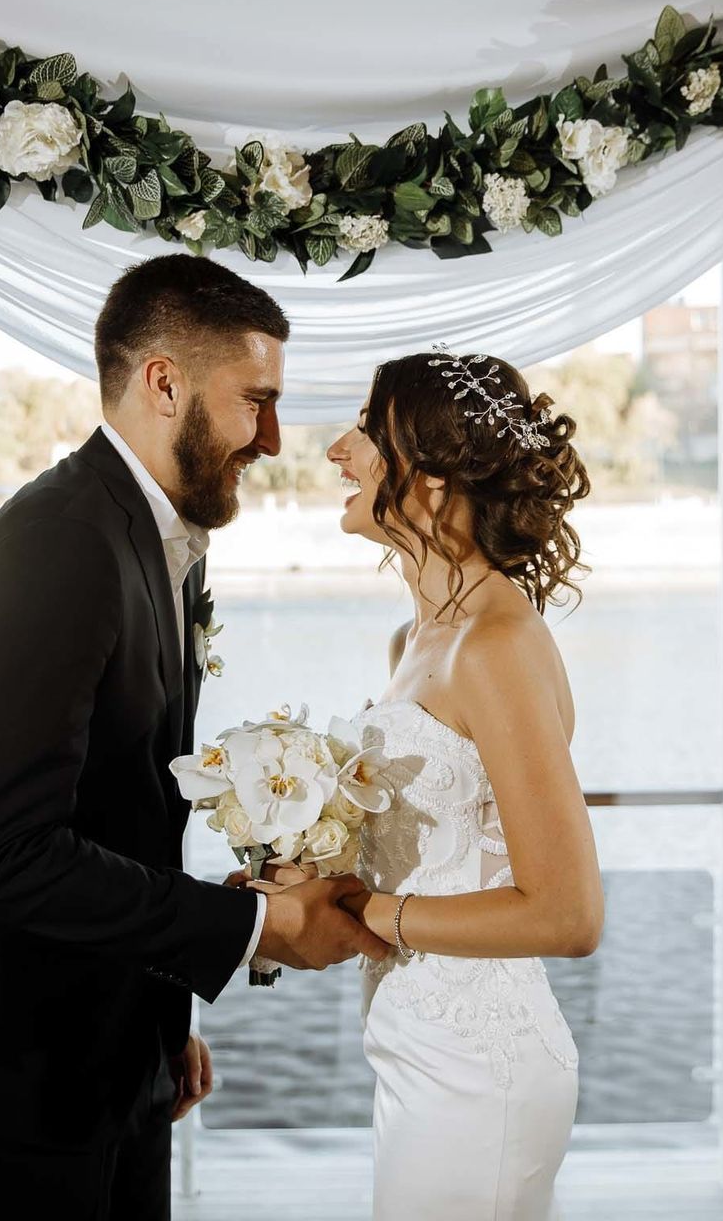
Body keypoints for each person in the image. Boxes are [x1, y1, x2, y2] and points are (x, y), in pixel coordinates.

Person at [0, 255, 390, 1220]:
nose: (273, 437)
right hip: (9, 1050)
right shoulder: (59, 547)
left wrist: (159, 1020)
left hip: (100, 1031)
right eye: (255, 400)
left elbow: (121, 814)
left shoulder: (148, 536)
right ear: (163, 382)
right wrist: (253, 929)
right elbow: (6, 854)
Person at [265, 348, 605, 1219]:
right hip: (414, 1044)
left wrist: (368, 914)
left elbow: (568, 915)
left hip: (477, 1070)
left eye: (366, 432)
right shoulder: (416, 641)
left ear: (434, 480)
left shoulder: (492, 645)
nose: (338, 450)